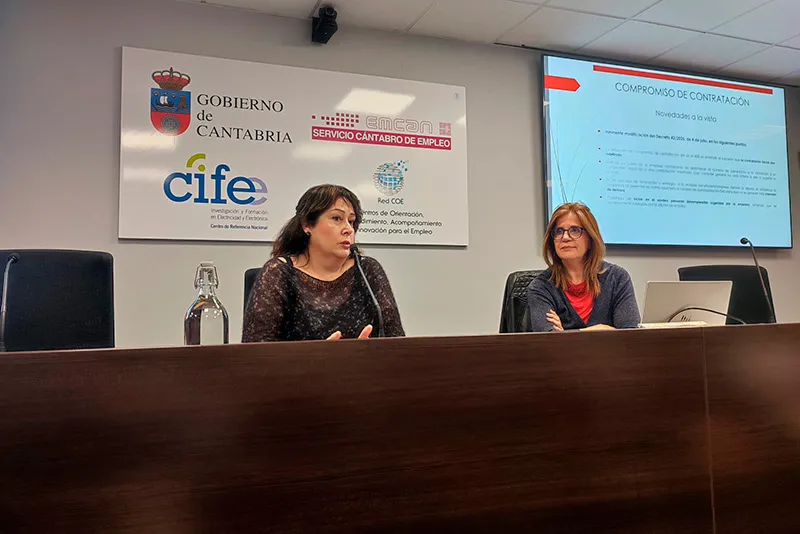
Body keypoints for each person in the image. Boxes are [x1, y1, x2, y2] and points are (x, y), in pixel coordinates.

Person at [242, 184, 405, 342]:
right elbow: (255, 356)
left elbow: (398, 344)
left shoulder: (367, 270)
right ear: (307, 225)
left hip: (360, 369)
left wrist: (366, 354)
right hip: (300, 370)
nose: (348, 229)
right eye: (337, 218)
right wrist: (318, 359)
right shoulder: (278, 273)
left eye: (351, 221)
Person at [527, 202, 640, 332]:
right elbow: (550, 345)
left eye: (575, 230)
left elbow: (630, 337)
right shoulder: (541, 287)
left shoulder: (617, 278)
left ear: (590, 238)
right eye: (559, 231)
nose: (565, 237)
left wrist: (565, 335)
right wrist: (598, 330)